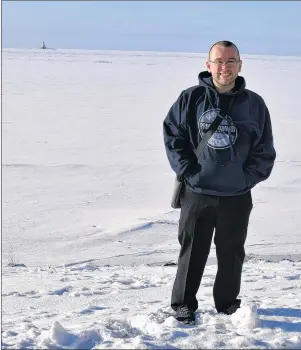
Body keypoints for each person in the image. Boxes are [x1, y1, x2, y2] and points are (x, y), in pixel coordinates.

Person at [163, 40, 276, 325]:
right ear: (208, 65)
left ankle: (227, 303)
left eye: (230, 61)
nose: (224, 67)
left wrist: (246, 178)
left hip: (236, 194)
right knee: (192, 251)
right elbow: (173, 136)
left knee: (232, 253)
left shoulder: (254, 104)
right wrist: (189, 170)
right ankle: (183, 304)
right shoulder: (190, 98)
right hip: (198, 191)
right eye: (219, 61)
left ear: (240, 64)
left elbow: (265, 148)